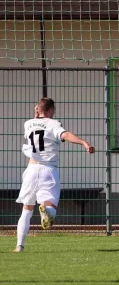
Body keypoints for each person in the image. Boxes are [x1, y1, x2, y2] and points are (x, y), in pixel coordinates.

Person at [14, 97, 95, 253]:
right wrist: (84, 142)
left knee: (27, 209)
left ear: (38, 110)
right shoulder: (54, 124)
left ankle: (19, 245)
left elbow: (36, 127)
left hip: (31, 169)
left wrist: (36, 115)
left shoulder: (28, 123)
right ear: (50, 110)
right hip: (48, 169)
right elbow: (65, 135)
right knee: (51, 207)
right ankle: (46, 210)